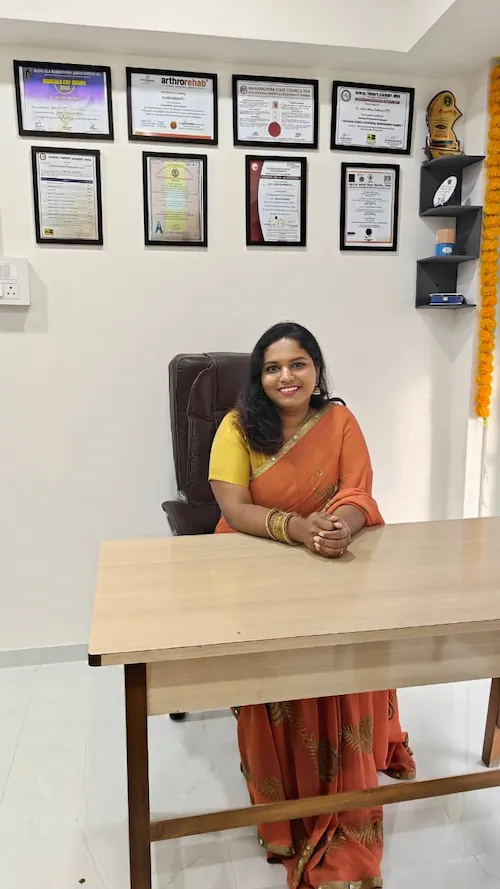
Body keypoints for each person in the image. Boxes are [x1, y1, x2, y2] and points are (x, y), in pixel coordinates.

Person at [208, 322, 415, 889]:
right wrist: (298, 528)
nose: (286, 376)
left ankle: (346, 776)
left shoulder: (340, 421)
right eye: (273, 368)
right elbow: (234, 507)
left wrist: (339, 528)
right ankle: (287, 797)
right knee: (281, 665)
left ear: (316, 369)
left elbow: (358, 492)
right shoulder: (236, 427)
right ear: (259, 378)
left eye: (297, 364)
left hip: (328, 558)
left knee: (348, 646)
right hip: (254, 560)